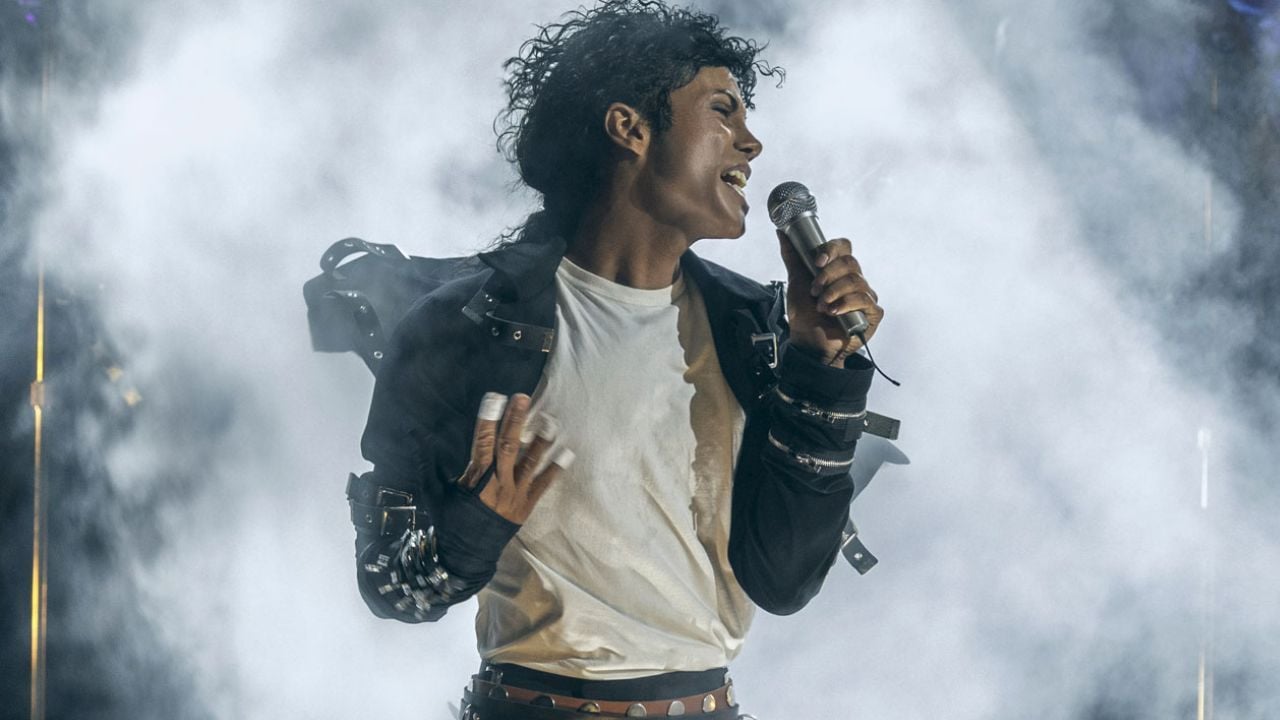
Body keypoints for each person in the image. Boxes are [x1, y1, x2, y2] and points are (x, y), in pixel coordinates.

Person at [345, 2, 885, 717]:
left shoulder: (754, 334)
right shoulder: (464, 327)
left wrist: (821, 365)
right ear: (630, 128)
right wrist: (475, 526)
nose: (751, 144)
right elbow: (390, 587)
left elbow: (784, 581)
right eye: (722, 111)